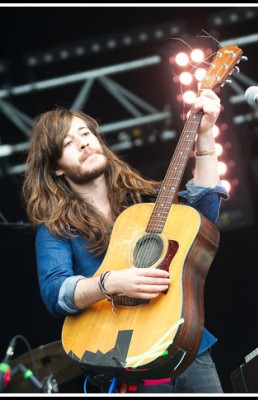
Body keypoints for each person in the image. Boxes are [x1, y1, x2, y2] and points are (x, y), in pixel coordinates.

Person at [21, 89, 228, 393]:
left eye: (85, 133)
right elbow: (56, 293)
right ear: (56, 167)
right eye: (67, 143)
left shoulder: (143, 200)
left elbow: (202, 218)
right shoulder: (56, 228)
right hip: (124, 360)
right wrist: (112, 283)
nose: (83, 142)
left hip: (184, 346)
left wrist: (207, 133)